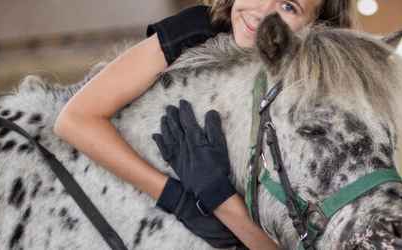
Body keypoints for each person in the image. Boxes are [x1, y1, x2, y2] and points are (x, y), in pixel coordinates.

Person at [53, 0, 356, 249]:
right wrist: (177, 199)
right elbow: (75, 120)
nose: (263, 11)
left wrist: (220, 201)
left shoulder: (319, 103)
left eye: (289, 6)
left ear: (317, 28)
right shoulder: (198, 28)